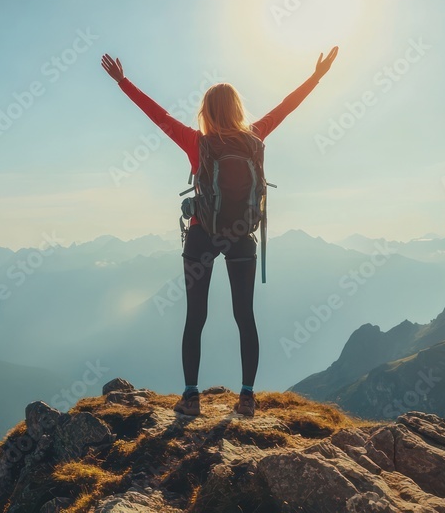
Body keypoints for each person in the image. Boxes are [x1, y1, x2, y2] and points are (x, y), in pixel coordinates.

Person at [100, 47, 338, 417]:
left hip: (201, 235)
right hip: (242, 236)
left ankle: (191, 396)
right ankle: (246, 396)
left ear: (207, 112)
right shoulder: (254, 137)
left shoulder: (198, 143)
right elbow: (286, 107)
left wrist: (122, 83)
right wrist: (316, 76)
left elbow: (157, 115)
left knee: (196, 317)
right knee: (245, 316)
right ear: (238, 109)